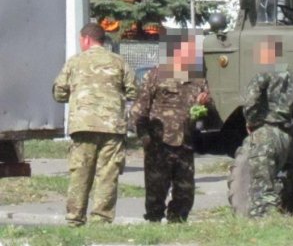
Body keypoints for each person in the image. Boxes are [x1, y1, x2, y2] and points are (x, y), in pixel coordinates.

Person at [52, 23, 137, 227]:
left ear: (86, 39)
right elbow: (134, 92)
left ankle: (75, 219)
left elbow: (59, 92)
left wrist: (79, 97)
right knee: (108, 173)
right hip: (112, 128)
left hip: (83, 125)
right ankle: (102, 219)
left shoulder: (74, 62)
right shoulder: (119, 61)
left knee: (80, 172)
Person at [130, 30, 209, 223]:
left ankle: (178, 221)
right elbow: (138, 111)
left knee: (185, 190)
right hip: (159, 143)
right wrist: (145, 138)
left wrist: (204, 104)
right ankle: (154, 219)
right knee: (156, 188)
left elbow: (207, 109)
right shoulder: (156, 75)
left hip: (185, 142)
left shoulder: (198, 79)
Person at [242, 38, 293, 217]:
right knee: (274, 177)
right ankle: (275, 213)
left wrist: (251, 122)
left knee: (261, 182)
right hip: (284, 133)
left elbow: (250, 102)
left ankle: (263, 220)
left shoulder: (263, 75)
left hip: (265, 133)